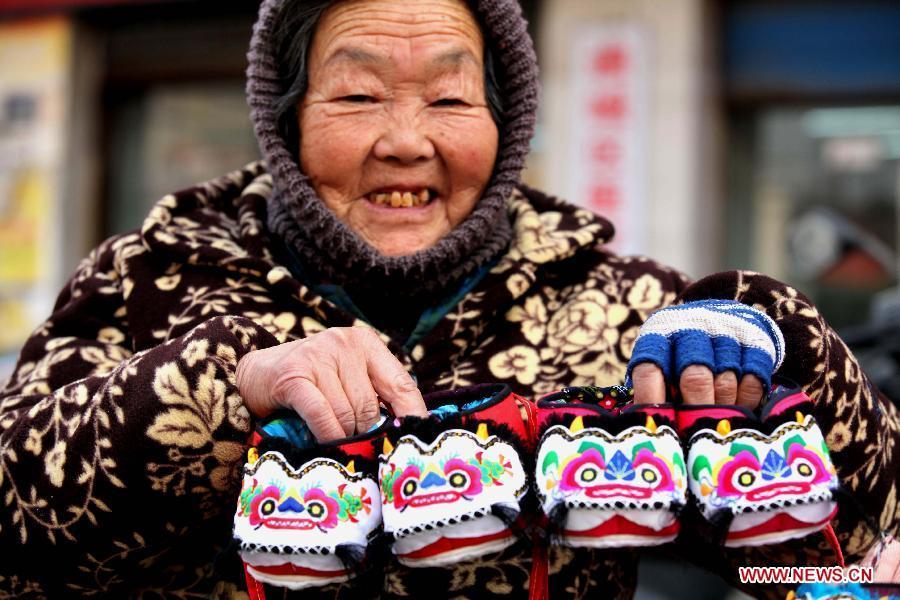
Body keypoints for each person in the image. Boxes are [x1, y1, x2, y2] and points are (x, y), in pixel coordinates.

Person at [0, 0, 897, 597]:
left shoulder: (620, 313)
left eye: (449, 97)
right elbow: (18, 524)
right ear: (284, 122)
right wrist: (222, 388)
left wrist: (782, 344)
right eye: (356, 94)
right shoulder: (151, 278)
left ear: (504, 127)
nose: (405, 140)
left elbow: (846, 559)